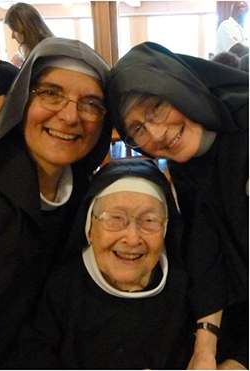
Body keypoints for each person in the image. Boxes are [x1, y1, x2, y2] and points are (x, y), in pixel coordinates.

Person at [0, 37, 111, 369]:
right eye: (51, 93)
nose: (69, 116)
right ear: (22, 100)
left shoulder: (89, 199)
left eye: (91, 103)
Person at [106, 41, 248, 369]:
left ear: (180, 86)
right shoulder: (187, 162)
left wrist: (241, 359)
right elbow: (208, 249)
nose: (156, 134)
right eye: (138, 129)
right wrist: (205, 347)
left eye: (156, 106)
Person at [4, 158, 199, 369]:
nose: (132, 239)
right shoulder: (61, 289)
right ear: (89, 228)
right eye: (114, 218)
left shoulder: (187, 288)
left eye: (149, 221)